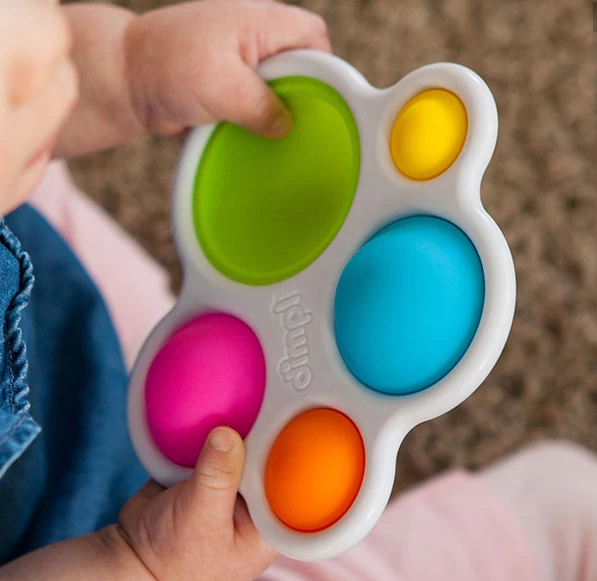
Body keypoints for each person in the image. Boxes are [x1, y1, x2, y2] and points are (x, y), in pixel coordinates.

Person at [1, 2, 596, 581]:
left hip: (54, 299)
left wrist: (129, 68)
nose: (42, 46)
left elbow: (33, 59)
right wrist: (141, 561)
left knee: (42, 164)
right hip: (104, 537)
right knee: (570, 505)